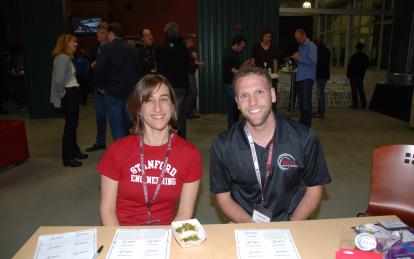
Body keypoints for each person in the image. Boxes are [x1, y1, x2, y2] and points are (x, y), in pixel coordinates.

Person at [210, 65, 331, 223]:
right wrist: (252, 227)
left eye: (259, 92)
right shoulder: (223, 145)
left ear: (273, 95)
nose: (252, 102)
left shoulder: (304, 138)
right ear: (237, 103)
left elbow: (314, 190)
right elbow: (224, 198)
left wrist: (292, 226)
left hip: (294, 220)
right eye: (244, 95)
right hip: (245, 221)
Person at [98, 74, 203, 226]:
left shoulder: (189, 154)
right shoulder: (117, 150)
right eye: (148, 100)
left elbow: (184, 213)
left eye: (164, 99)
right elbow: (107, 210)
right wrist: (120, 242)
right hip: (122, 232)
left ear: (172, 106)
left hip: (167, 233)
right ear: (138, 108)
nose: (158, 107)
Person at [94, 22, 143, 140]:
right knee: (130, 124)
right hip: (130, 93)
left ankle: (121, 154)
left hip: (112, 92)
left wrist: (100, 85)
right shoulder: (133, 50)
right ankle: (132, 152)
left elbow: (99, 69)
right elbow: (140, 71)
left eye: (107, 34)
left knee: (116, 127)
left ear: (111, 33)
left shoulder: (107, 49)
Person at [50, 34, 88, 167]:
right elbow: (59, 80)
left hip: (72, 93)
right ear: (65, 43)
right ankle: (68, 157)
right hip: (68, 94)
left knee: (73, 124)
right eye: (73, 42)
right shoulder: (62, 58)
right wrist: (63, 93)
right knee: (70, 126)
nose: (76, 44)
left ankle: (74, 150)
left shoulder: (68, 57)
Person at [156, 22, 189, 138]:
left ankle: (168, 138)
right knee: (180, 116)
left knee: (166, 114)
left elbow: (159, 68)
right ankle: (181, 139)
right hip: (180, 85)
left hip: (166, 86)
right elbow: (189, 67)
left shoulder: (160, 48)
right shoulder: (183, 48)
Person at [86, 22, 109, 152]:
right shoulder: (94, 48)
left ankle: (122, 143)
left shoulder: (112, 48)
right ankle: (100, 142)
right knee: (100, 117)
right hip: (98, 89)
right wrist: (93, 64)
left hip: (111, 89)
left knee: (115, 118)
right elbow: (91, 65)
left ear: (107, 34)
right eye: (97, 33)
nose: (98, 35)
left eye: (100, 33)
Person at [291, 28, 317, 127]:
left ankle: (307, 126)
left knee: (306, 104)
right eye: (296, 39)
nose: (298, 40)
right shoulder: (301, 47)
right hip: (299, 77)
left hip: (307, 78)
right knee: (301, 103)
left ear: (304, 35)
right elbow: (300, 62)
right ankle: (302, 125)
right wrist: (296, 59)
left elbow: (313, 61)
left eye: (299, 38)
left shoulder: (312, 46)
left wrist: (299, 58)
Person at [251, 29, 278, 112]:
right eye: (266, 36)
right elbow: (252, 60)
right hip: (259, 75)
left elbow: (275, 61)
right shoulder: (256, 47)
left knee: (272, 94)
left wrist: (275, 72)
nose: (268, 38)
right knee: (259, 93)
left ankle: (273, 113)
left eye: (270, 37)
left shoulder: (273, 47)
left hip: (270, 76)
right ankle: (261, 110)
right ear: (262, 37)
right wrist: (253, 72)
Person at [223, 35, 246, 129]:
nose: (242, 48)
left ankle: (234, 127)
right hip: (229, 83)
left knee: (235, 106)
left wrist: (244, 65)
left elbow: (236, 69)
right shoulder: (227, 52)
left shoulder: (235, 53)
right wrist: (242, 72)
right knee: (234, 105)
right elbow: (232, 69)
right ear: (236, 44)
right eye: (241, 46)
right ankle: (231, 128)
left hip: (235, 83)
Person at [347, 43, 369, 109]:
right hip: (360, 76)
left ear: (356, 48)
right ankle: (363, 105)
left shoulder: (354, 57)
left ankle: (355, 104)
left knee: (354, 91)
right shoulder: (365, 57)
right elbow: (367, 66)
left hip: (353, 76)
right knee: (361, 90)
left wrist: (348, 74)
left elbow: (350, 66)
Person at [184, 34, 201, 119]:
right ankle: (188, 112)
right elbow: (187, 64)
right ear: (188, 42)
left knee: (191, 93)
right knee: (193, 93)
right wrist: (196, 64)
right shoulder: (186, 51)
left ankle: (189, 113)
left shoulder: (188, 52)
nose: (193, 43)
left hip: (191, 74)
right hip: (189, 74)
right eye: (192, 42)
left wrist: (196, 65)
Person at [315, 37, 331, 118]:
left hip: (320, 75)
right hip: (325, 75)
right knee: (321, 93)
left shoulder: (318, 51)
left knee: (320, 94)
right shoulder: (327, 51)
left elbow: (317, 64)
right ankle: (321, 111)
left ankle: (320, 112)